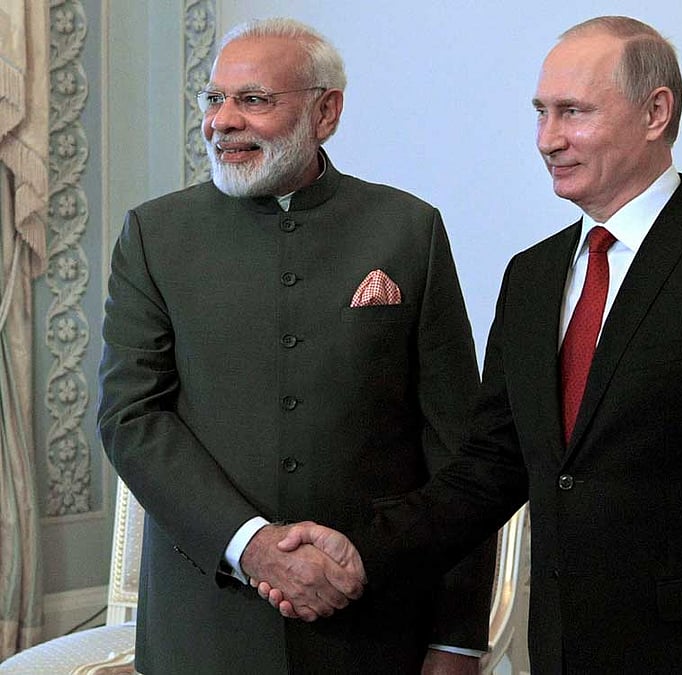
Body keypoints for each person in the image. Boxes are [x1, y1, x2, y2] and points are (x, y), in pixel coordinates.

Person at [265, 15, 682, 673]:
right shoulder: (534, 275)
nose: (548, 139)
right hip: (562, 651)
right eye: (541, 113)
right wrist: (364, 549)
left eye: (573, 112)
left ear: (656, 112)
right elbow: (491, 464)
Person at [97, 17, 496, 675]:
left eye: (253, 100)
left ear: (326, 111)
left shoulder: (409, 230)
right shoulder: (154, 235)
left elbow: (457, 448)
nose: (221, 120)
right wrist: (253, 547)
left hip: (378, 628)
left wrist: (456, 638)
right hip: (206, 632)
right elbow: (131, 418)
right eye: (213, 98)